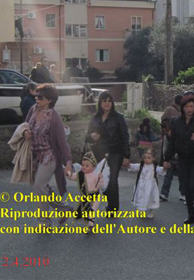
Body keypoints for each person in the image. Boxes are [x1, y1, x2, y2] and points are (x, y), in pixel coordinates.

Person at [24, 84, 74, 227]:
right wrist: (25, 133)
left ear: (50, 100)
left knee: (39, 185)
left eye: (40, 97)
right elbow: (25, 126)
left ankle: (44, 221)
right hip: (35, 155)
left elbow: (62, 141)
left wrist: (68, 161)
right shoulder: (33, 110)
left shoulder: (54, 116)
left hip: (49, 156)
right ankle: (63, 209)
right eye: (36, 95)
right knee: (42, 187)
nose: (36, 99)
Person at [163, 95, 194, 224]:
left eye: (191, 106)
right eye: (187, 106)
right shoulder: (176, 122)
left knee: (193, 184)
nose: (189, 109)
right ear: (182, 108)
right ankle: (190, 214)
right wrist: (167, 158)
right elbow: (172, 142)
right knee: (186, 187)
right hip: (182, 157)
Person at [86, 91, 130, 214]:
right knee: (99, 179)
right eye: (104, 101)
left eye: (109, 101)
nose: (107, 103)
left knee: (112, 179)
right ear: (100, 102)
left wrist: (126, 155)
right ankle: (93, 205)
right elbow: (87, 136)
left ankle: (113, 207)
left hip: (115, 152)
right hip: (98, 153)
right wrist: (91, 136)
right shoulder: (95, 118)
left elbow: (125, 136)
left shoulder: (118, 118)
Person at [66, 151, 104, 232]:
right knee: (86, 211)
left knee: (91, 210)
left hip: (95, 197)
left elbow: (101, 184)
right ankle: (90, 224)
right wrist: (69, 174)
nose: (84, 167)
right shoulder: (80, 174)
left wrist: (99, 182)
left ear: (93, 167)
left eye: (87, 166)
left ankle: (90, 224)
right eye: (83, 165)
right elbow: (73, 177)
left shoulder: (96, 175)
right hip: (85, 197)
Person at [159, 95, 185, 202]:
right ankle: (182, 193)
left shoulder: (172, 110)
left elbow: (162, 119)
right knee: (180, 173)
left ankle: (165, 193)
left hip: (171, 142)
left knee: (171, 172)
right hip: (175, 144)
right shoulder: (177, 112)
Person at [131, 149, 167, 219]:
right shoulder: (141, 166)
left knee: (151, 198)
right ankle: (142, 210)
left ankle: (151, 210)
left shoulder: (154, 167)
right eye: (145, 158)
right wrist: (129, 165)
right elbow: (134, 167)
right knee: (142, 198)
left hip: (151, 187)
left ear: (153, 158)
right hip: (141, 186)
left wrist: (164, 168)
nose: (146, 160)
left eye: (149, 158)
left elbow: (161, 170)